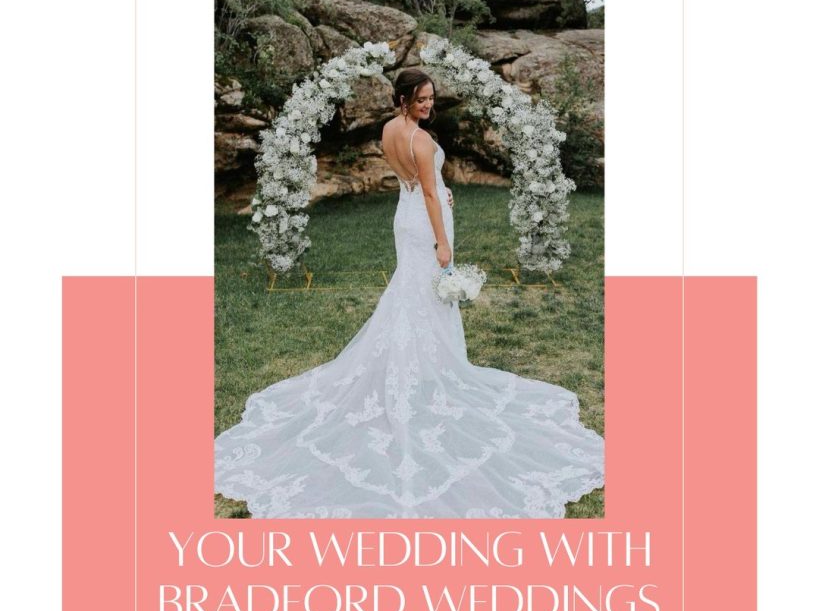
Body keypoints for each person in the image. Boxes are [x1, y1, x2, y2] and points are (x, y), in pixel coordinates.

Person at [214, 68, 604, 518]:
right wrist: (443, 241)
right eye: (421, 99)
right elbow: (429, 197)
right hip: (424, 224)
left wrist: (442, 188)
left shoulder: (389, 131)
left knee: (411, 296)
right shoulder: (419, 139)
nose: (428, 105)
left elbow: (416, 183)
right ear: (403, 98)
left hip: (405, 215)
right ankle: (428, 370)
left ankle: (415, 363)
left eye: (431, 98)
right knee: (429, 294)